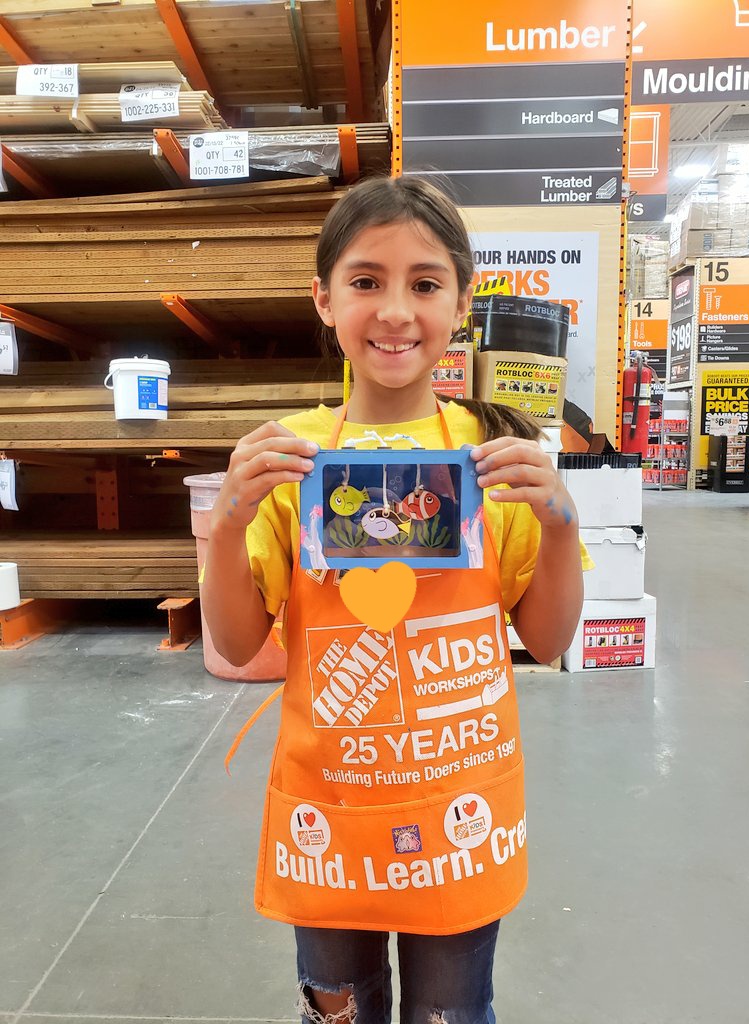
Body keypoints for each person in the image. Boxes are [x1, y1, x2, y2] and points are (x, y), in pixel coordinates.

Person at [202, 176, 588, 1024]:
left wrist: (559, 524)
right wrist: (226, 526)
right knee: (339, 1009)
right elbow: (234, 645)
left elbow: (551, 637)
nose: (395, 311)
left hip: (459, 806)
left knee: (452, 1010)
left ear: (461, 300)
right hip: (330, 808)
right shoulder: (292, 461)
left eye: (424, 283)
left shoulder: (495, 456)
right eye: (366, 280)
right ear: (323, 298)